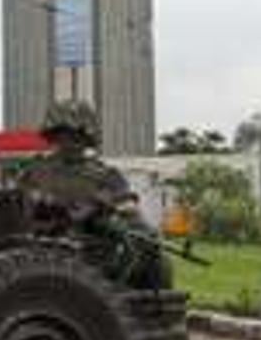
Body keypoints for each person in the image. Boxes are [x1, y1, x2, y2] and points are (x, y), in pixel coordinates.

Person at [17, 100, 173, 291]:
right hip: (39, 249)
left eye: (78, 135)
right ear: (55, 135)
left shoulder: (105, 174)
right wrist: (46, 207)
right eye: (65, 134)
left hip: (93, 253)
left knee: (151, 248)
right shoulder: (35, 171)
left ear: (87, 137)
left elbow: (128, 208)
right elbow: (17, 208)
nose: (71, 141)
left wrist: (106, 209)